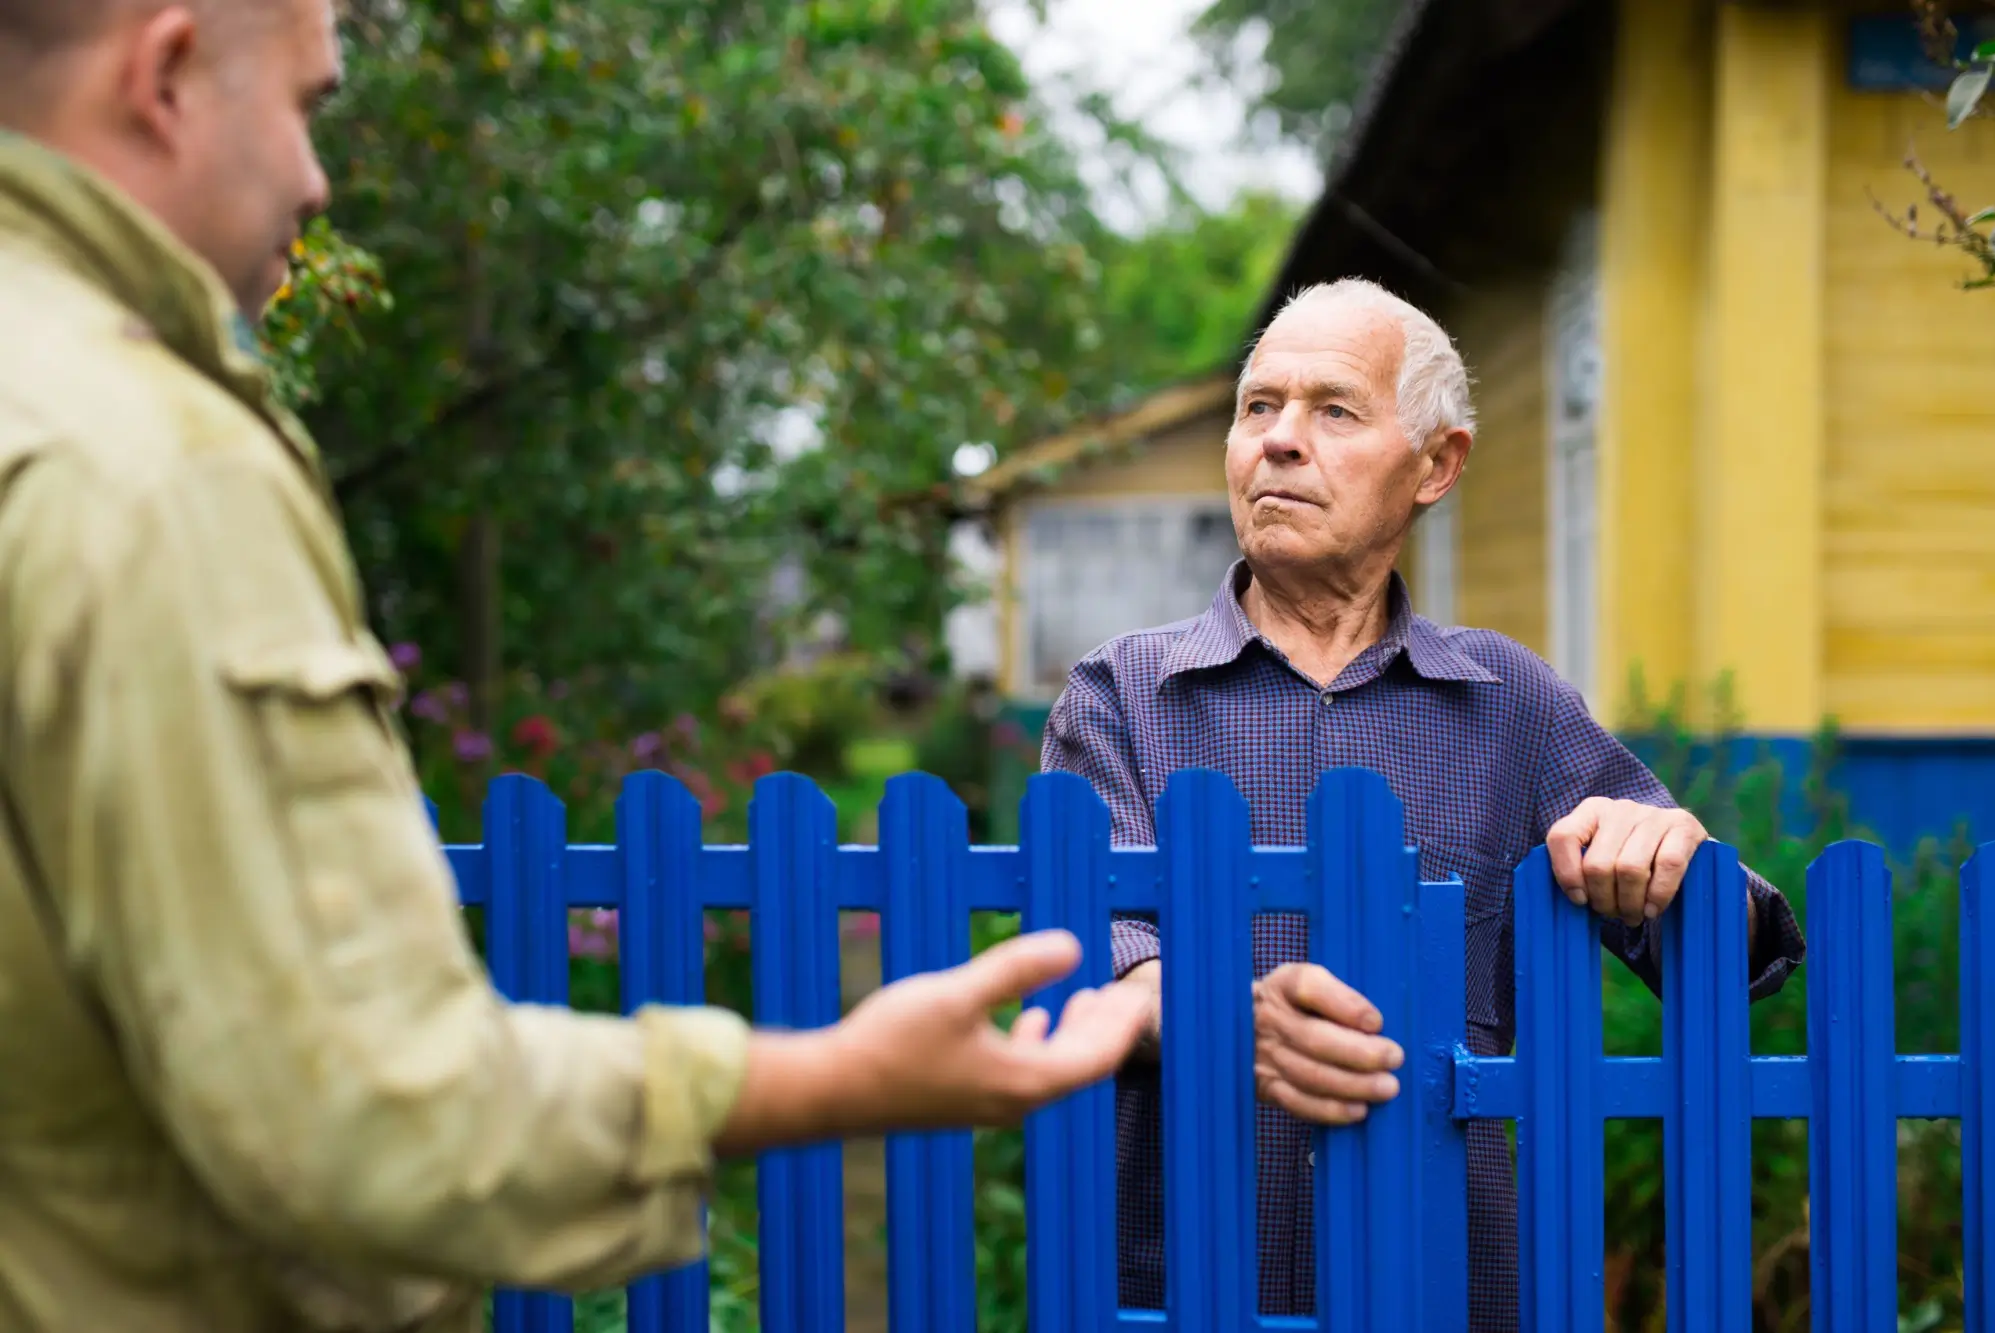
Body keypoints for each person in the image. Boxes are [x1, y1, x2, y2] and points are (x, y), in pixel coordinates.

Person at [0, 2, 1149, 1330]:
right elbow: (367, 1114)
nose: (318, 181)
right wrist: (839, 1079)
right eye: (312, 106)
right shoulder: (145, 476)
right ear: (167, 76)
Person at [1041, 278, 1807, 1330]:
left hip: (1446, 1284)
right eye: (1256, 406)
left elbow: (1727, 960)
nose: (1277, 441)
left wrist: (1681, 858)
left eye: (1333, 410)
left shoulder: (1512, 705)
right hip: (1180, 1281)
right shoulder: (1119, 695)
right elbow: (1095, 957)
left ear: (1435, 465)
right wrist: (1228, 1017)